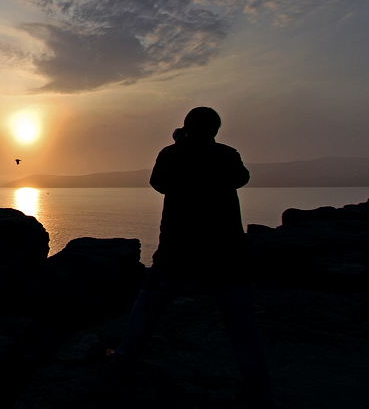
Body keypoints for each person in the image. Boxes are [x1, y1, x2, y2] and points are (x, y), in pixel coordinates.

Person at [109, 107, 275, 408]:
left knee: (148, 303)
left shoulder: (173, 155)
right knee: (242, 325)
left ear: (186, 127)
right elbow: (241, 178)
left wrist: (179, 146)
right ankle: (259, 392)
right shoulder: (227, 155)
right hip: (226, 251)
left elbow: (158, 183)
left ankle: (123, 360)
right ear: (216, 129)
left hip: (178, 248)